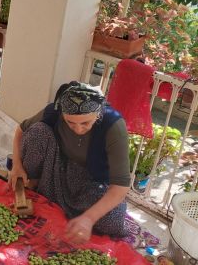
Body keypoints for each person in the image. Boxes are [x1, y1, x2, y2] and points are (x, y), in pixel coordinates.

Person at [8, 81, 130, 244]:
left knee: (112, 219)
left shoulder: (113, 125)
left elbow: (120, 187)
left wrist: (89, 218)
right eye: (70, 123)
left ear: (98, 113)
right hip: (58, 168)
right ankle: (33, 184)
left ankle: (69, 208)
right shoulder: (54, 111)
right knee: (38, 132)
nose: (78, 129)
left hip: (91, 183)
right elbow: (20, 131)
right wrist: (17, 166)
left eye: (85, 123)